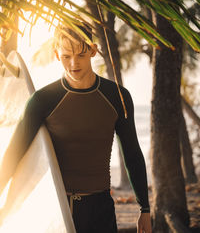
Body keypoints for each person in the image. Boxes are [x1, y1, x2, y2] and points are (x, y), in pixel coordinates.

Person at [0, 24, 152, 233]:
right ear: (56, 54)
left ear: (93, 49)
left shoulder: (117, 96)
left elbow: (132, 153)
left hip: (101, 209)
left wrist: (145, 208)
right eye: (66, 56)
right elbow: (14, 153)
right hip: (58, 211)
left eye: (81, 55)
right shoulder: (43, 100)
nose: (74, 63)